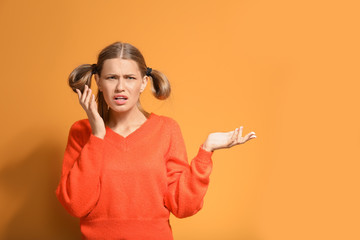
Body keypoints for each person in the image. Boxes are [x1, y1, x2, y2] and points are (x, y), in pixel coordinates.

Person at [54, 41, 256, 240]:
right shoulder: (81, 131)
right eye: (112, 77)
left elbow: (182, 206)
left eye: (130, 78)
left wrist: (206, 152)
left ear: (143, 83)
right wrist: (97, 136)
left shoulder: (166, 129)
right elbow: (75, 205)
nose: (120, 87)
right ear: (98, 81)